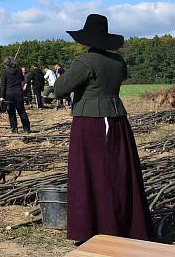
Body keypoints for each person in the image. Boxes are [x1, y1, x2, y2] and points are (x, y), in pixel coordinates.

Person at [55, 14, 153, 243]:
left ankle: (99, 228)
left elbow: (61, 88)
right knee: (118, 172)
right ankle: (122, 225)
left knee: (93, 173)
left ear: (87, 38)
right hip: (118, 120)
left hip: (91, 123)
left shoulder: (86, 62)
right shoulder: (118, 61)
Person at [0, 57, 30, 134]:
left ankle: (14, 129)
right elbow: (22, 79)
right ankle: (26, 128)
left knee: (11, 112)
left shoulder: (5, 72)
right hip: (18, 93)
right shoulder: (19, 70)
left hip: (9, 94)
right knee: (22, 111)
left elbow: (3, 85)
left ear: (6, 64)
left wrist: (1, 96)